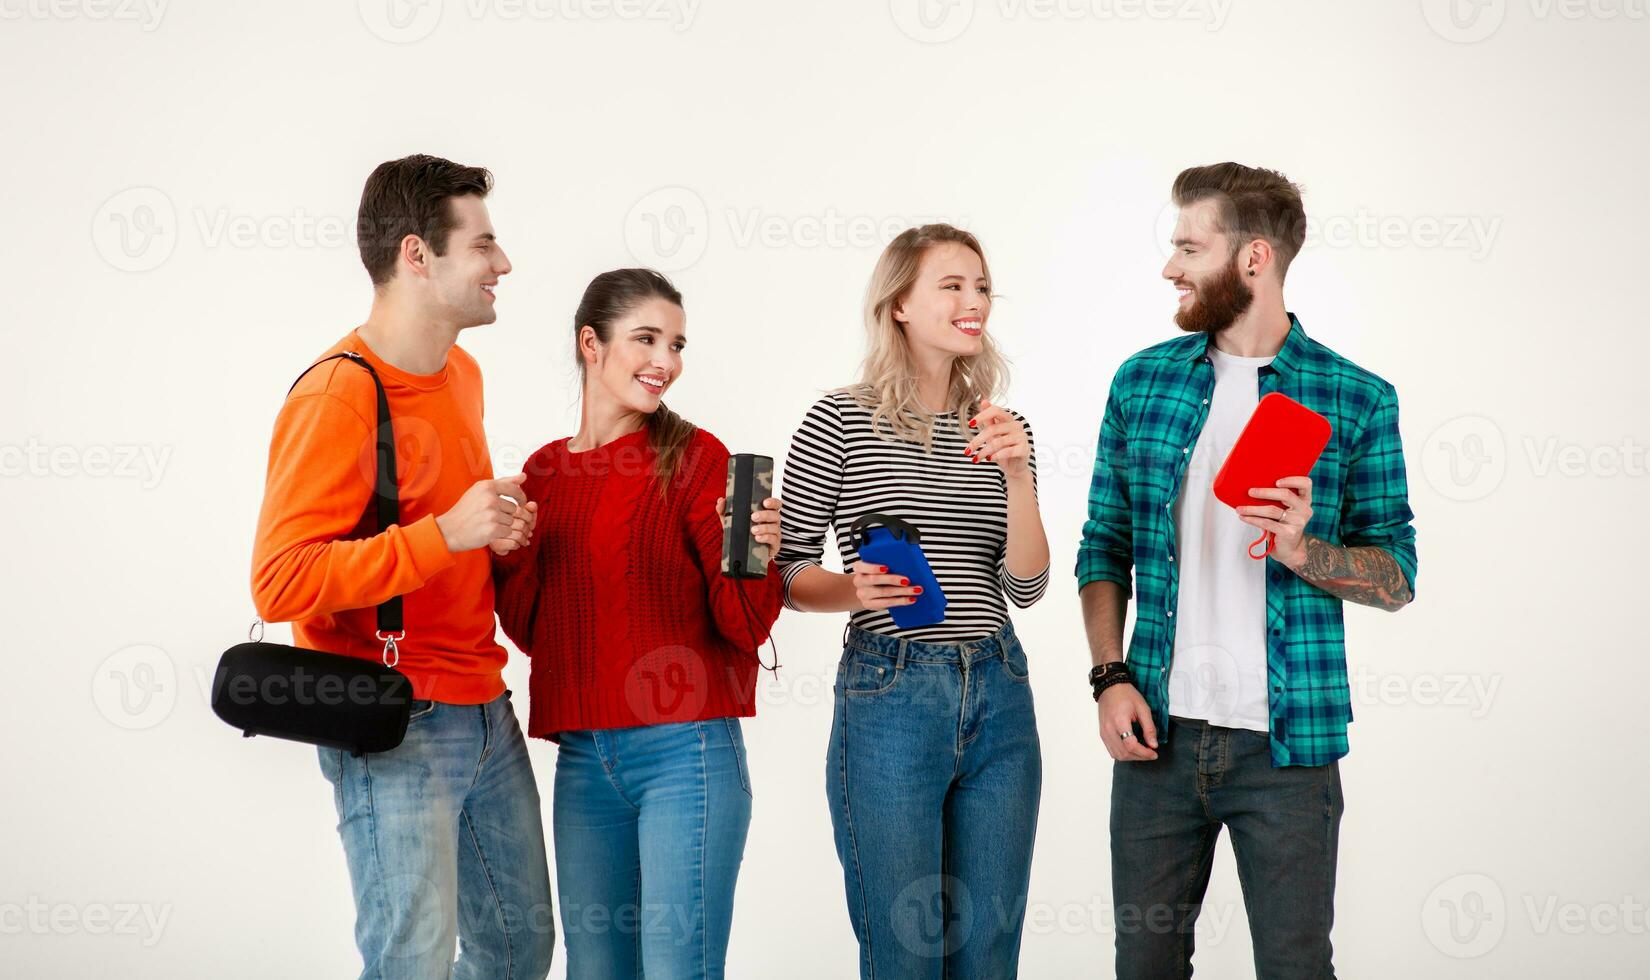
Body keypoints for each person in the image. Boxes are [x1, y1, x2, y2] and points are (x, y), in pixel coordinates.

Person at [1078, 162, 1419, 978]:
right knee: (1145, 966)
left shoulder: (1356, 398)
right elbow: (1103, 542)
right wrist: (1109, 674)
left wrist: (1306, 550)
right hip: (1157, 738)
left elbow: (1398, 574)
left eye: (1189, 247)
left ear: (1253, 259)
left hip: (1289, 752)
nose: (1171, 266)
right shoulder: (1144, 382)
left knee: (1297, 968)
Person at [251, 154, 554, 978]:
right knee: (412, 961)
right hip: (397, 720)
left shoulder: (462, 373)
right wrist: (443, 534)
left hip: (485, 707)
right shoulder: (336, 395)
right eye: (484, 245)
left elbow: (436, 531)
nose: (504, 264)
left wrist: (494, 533)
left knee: (519, 951)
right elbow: (279, 581)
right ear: (417, 254)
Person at [492, 268, 784, 979]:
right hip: (585, 760)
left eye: (677, 344)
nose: (666, 362)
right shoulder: (543, 472)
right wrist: (508, 556)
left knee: (678, 968)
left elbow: (743, 627)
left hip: (686, 754)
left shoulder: (695, 457)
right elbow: (537, 633)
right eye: (647, 339)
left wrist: (759, 557)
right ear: (590, 344)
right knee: (594, 970)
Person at [775, 225, 1050, 978]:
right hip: (891, 692)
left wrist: (1021, 475)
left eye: (983, 287)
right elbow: (788, 571)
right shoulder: (840, 417)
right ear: (899, 303)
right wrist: (852, 588)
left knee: (988, 954)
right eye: (953, 286)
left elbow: (1026, 587)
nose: (975, 302)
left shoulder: (1000, 428)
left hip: (999, 688)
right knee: (904, 954)